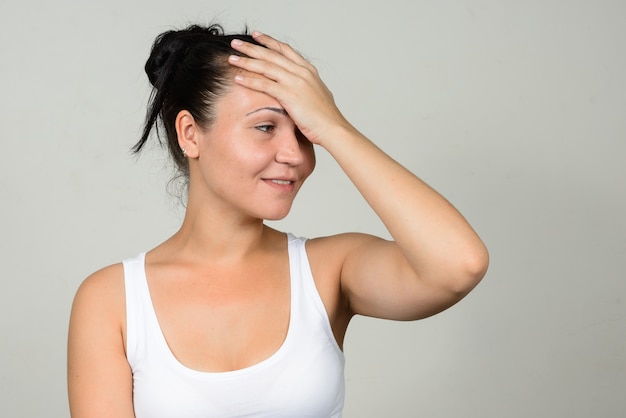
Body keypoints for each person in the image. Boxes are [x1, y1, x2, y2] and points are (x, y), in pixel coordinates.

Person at [67, 23, 489, 417]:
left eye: (304, 133)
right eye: (266, 126)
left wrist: (334, 126)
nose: (295, 154)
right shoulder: (112, 301)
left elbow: (458, 265)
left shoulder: (329, 270)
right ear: (190, 134)